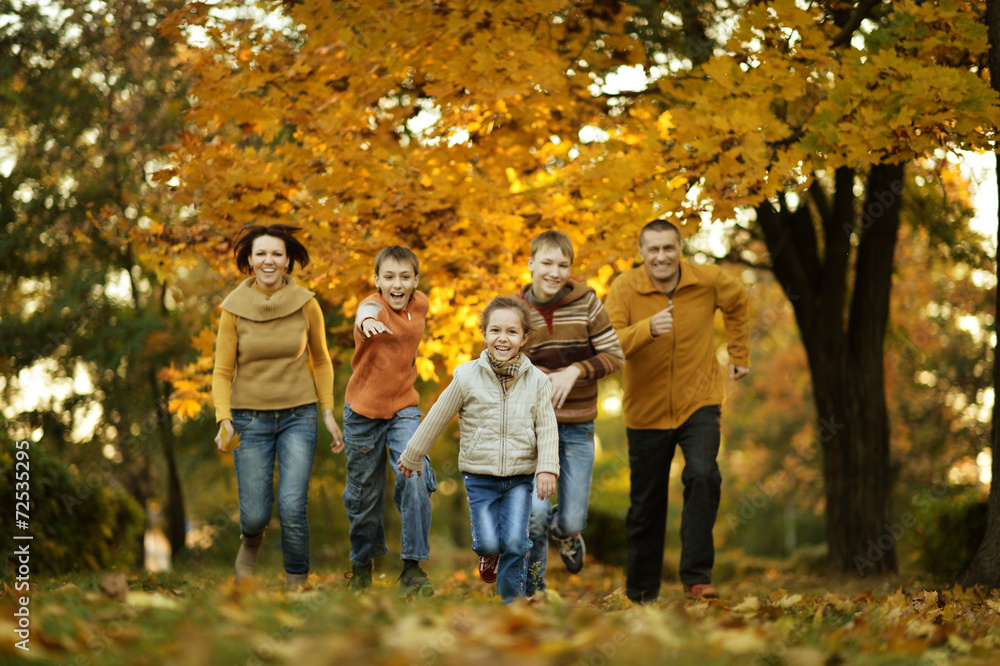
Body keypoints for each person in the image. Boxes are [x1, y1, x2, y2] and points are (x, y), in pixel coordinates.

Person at [604, 219, 750, 603]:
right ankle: (641, 593)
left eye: (668, 248)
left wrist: (739, 353)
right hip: (646, 410)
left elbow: (738, 302)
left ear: (680, 248)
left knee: (703, 474)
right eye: (653, 249)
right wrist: (648, 328)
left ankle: (697, 578)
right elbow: (609, 344)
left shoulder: (707, 280)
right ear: (641, 252)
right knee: (646, 504)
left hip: (699, 401)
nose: (661, 256)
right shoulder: (625, 288)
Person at [397, 297, 559, 604]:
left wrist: (547, 468)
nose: (503, 338)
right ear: (483, 333)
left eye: (512, 331)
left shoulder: (538, 381)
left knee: (516, 542)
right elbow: (438, 416)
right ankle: (488, 554)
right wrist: (413, 454)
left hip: (521, 478)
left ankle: (511, 604)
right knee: (488, 543)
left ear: (524, 337)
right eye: (495, 330)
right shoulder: (466, 376)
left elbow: (548, 428)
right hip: (480, 477)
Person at [212, 224, 344, 588]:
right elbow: (222, 371)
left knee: (291, 506)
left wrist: (328, 411)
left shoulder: (306, 304)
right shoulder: (233, 309)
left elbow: (321, 360)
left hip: (299, 416)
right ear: (250, 260)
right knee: (255, 514)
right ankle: (250, 541)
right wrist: (224, 419)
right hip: (248, 419)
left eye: (276, 254)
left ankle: (297, 584)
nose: (268, 260)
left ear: (287, 261)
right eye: (261, 254)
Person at [514, 231, 624, 598]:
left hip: (578, 426)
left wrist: (575, 371)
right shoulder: (515, 310)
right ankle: (533, 591)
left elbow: (615, 356)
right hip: (532, 430)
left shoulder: (587, 303)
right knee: (535, 514)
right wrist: (534, 374)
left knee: (573, 519)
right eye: (546, 263)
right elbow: (499, 362)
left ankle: (566, 533)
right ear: (531, 264)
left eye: (563, 265)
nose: (554, 272)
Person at [341, 245, 437, 596]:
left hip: (403, 408)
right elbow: (365, 311)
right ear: (377, 280)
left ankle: (412, 570)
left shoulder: (420, 304)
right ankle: (361, 566)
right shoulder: (374, 307)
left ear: (415, 281)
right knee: (364, 495)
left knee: (414, 473)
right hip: (362, 413)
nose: (397, 284)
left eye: (405, 277)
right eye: (389, 277)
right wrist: (366, 321)